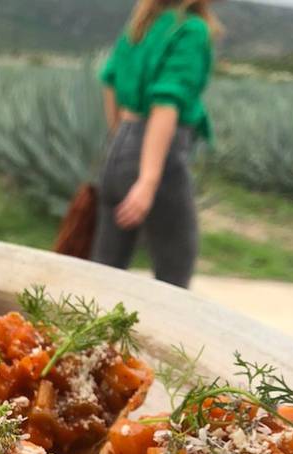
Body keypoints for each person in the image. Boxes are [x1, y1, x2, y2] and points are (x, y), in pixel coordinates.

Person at [92, 0, 220, 288]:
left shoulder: (142, 24)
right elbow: (166, 103)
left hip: (120, 147)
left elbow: (109, 81)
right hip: (160, 155)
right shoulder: (191, 29)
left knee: (103, 275)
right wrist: (148, 180)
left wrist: (122, 140)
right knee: (175, 270)